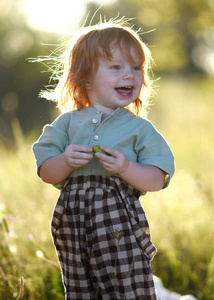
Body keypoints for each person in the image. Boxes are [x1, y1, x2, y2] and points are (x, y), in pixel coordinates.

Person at [32, 19, 175, 300]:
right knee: (79, 285)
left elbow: (157, 179)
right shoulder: (67, 124)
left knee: (126, 284)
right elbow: (47, 172)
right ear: (85, 78)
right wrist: (65, 161)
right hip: (73, 224)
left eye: (136, 68)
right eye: (116, 67)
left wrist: (126, 167)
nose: (129, 76)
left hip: (117, 224)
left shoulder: (139, 128)